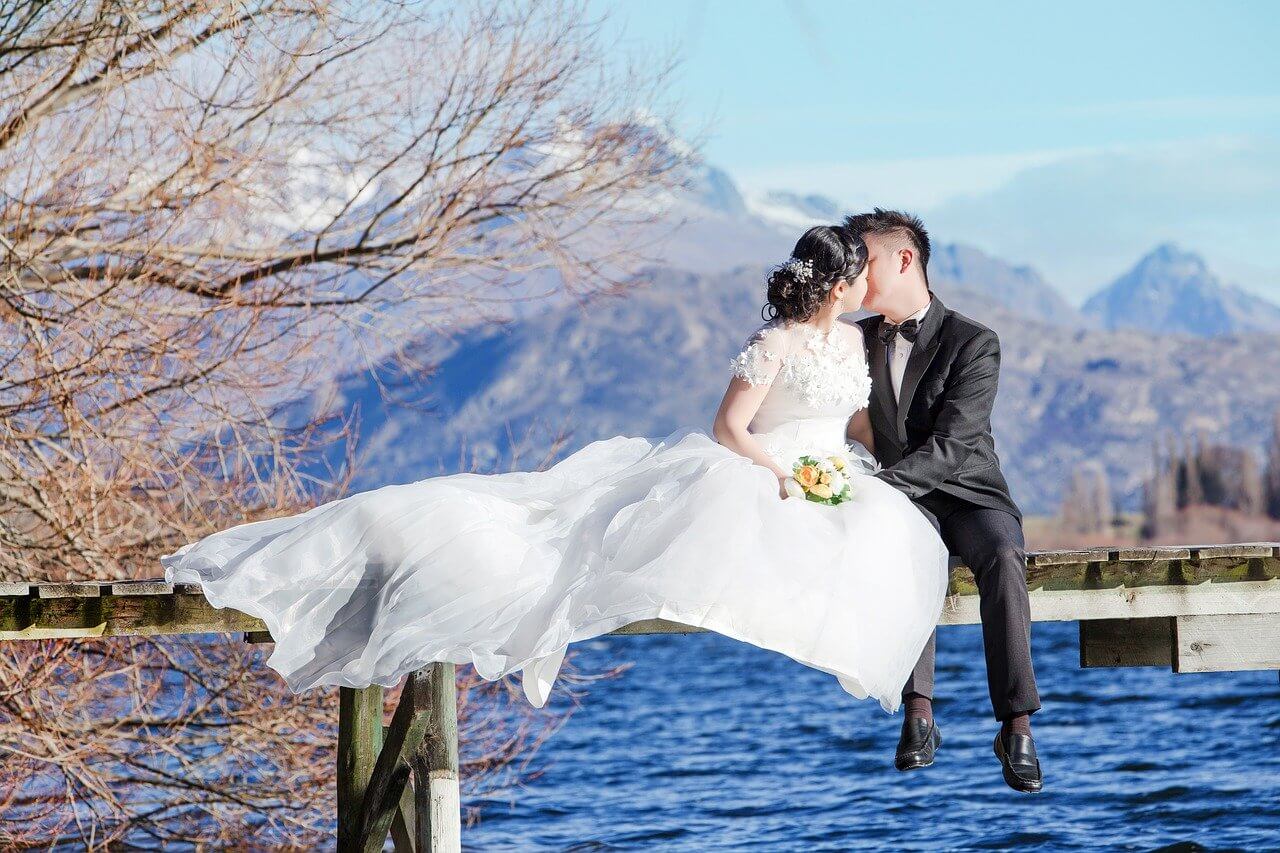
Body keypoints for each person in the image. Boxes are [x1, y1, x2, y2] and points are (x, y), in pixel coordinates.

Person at [161, 224, 949, 723]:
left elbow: (851, 422)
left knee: (888, 544)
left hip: (830, 471)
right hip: (759, 466)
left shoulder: (855, 345)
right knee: (590, 538)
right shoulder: (773, 341)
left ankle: (912, 707)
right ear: (835, 281)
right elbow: (728, 428)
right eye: (856, 276)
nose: (864, 288)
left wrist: (842, 472)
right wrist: (783, 473)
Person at [844, 208, 1044, 793]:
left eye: (866, 261)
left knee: (1004, 557)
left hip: (969, 491)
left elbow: (955, 445)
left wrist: (877, 488)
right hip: (906, 502)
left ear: (904, 260)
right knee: (903, 552)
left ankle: (1016, 723)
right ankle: (918, 716)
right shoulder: (853, 340)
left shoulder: (975, 341)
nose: (856, 274)